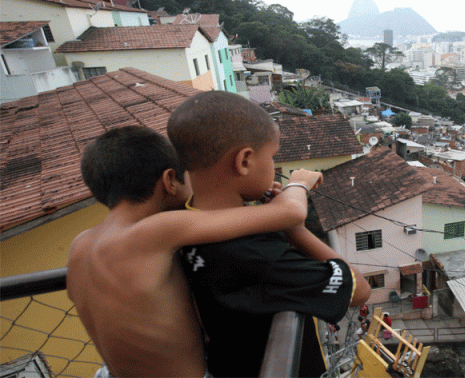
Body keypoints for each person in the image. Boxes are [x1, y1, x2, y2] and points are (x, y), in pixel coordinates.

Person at [67, 126, 325, 377]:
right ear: (169, 180)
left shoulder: (79, 245)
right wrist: (298, 184)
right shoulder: (157, 230)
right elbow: (289, 213)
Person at [167, 91, 371, 377]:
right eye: (273, 158)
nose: (275, 169)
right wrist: (295, 229)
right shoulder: (255, 254)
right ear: (245, 161)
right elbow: (359, 290)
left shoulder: (182, 224)